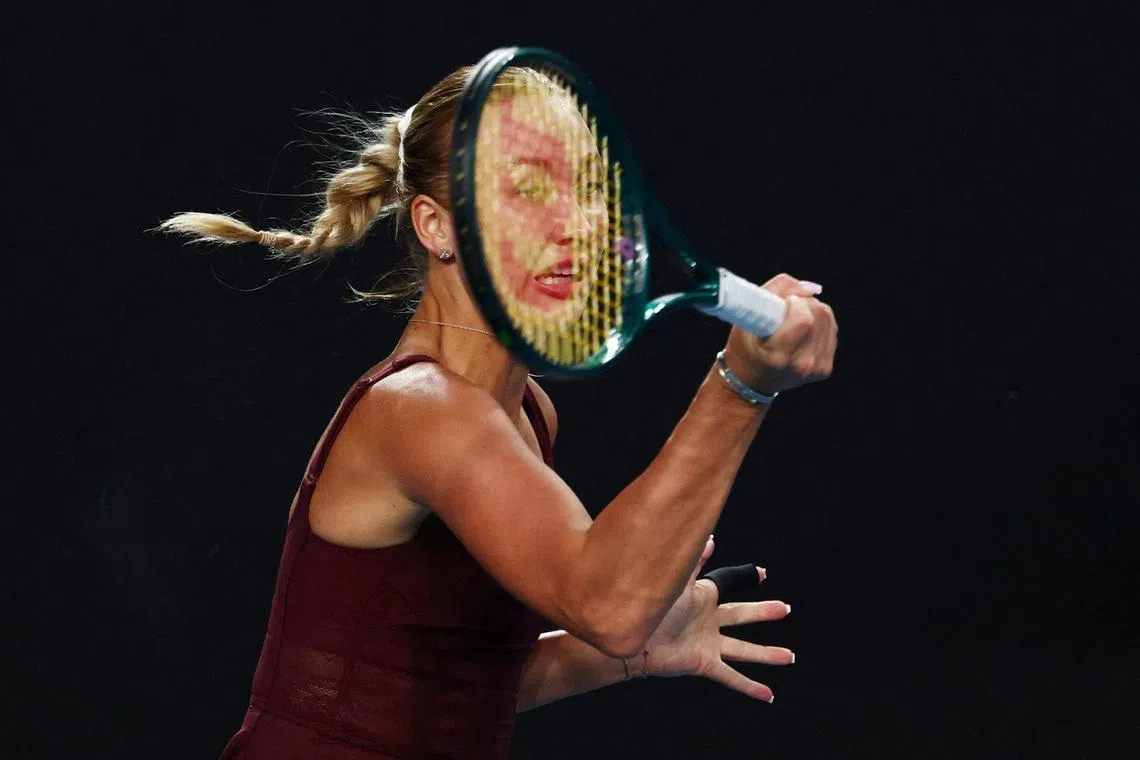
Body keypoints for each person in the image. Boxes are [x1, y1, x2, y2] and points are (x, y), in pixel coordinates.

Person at [159, 62, 838, 760]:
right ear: (436, 226)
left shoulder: (527, 413)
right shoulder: (422, 410)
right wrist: (742, 386)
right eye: (530, 190)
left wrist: (626, 657)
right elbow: (608, 603)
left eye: (589, 189)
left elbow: (444, 687)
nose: (574, 222)